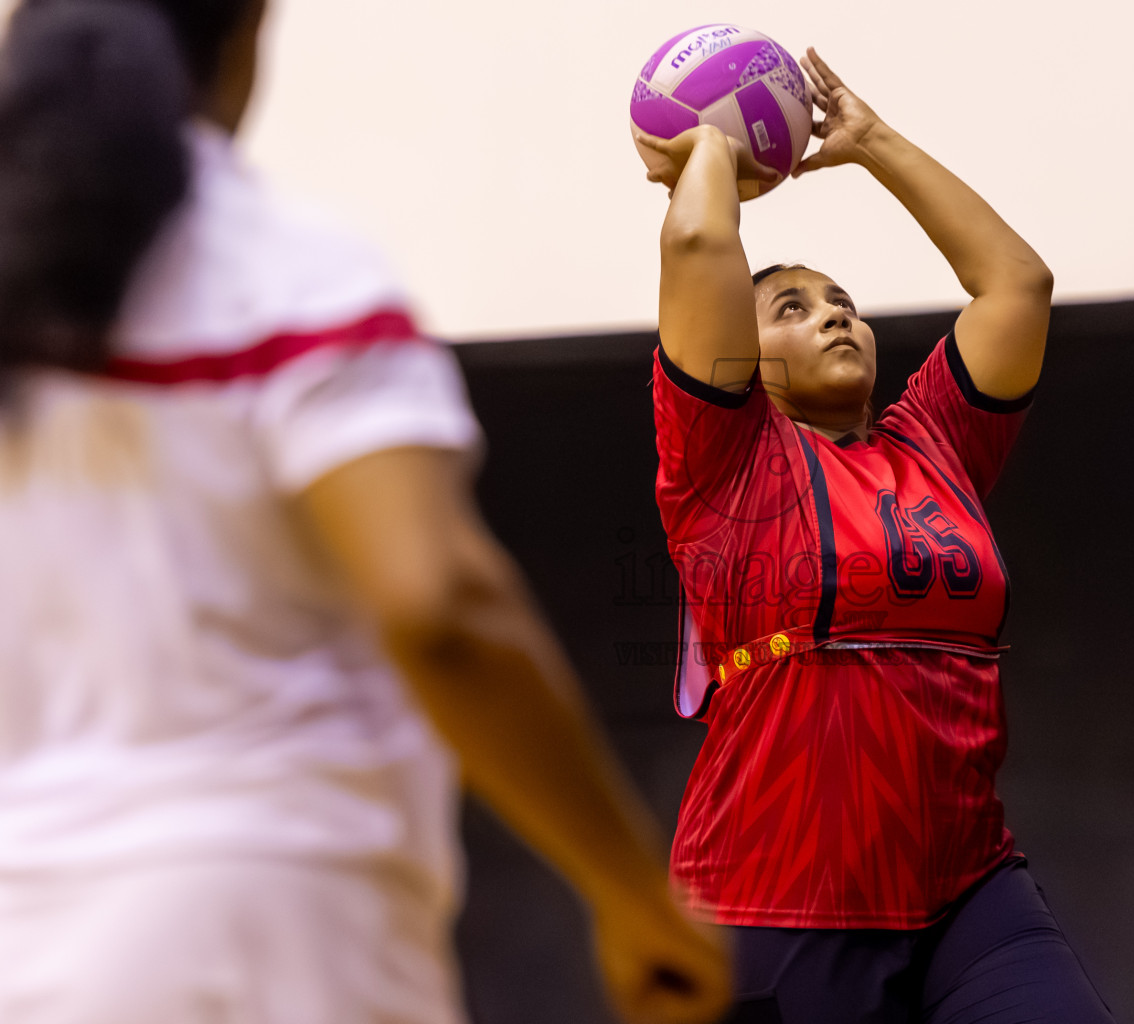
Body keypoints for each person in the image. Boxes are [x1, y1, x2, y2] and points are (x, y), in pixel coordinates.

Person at [0, 2, 730, 1023]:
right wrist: (633, 892)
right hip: (285, 923)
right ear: (251, 25)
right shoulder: (285, 266)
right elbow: (439, 604)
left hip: (28, 943)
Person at [636, 49, 1116, 1023]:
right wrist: (711, 151)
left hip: (966, 882)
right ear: (746, 350)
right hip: (778, 894)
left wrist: (870, 143)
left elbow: (1017, 284)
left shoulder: (935, 438)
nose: (836, 315)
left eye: (844, 302)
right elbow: (695, 251)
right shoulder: (726, 458)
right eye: (794, 307)